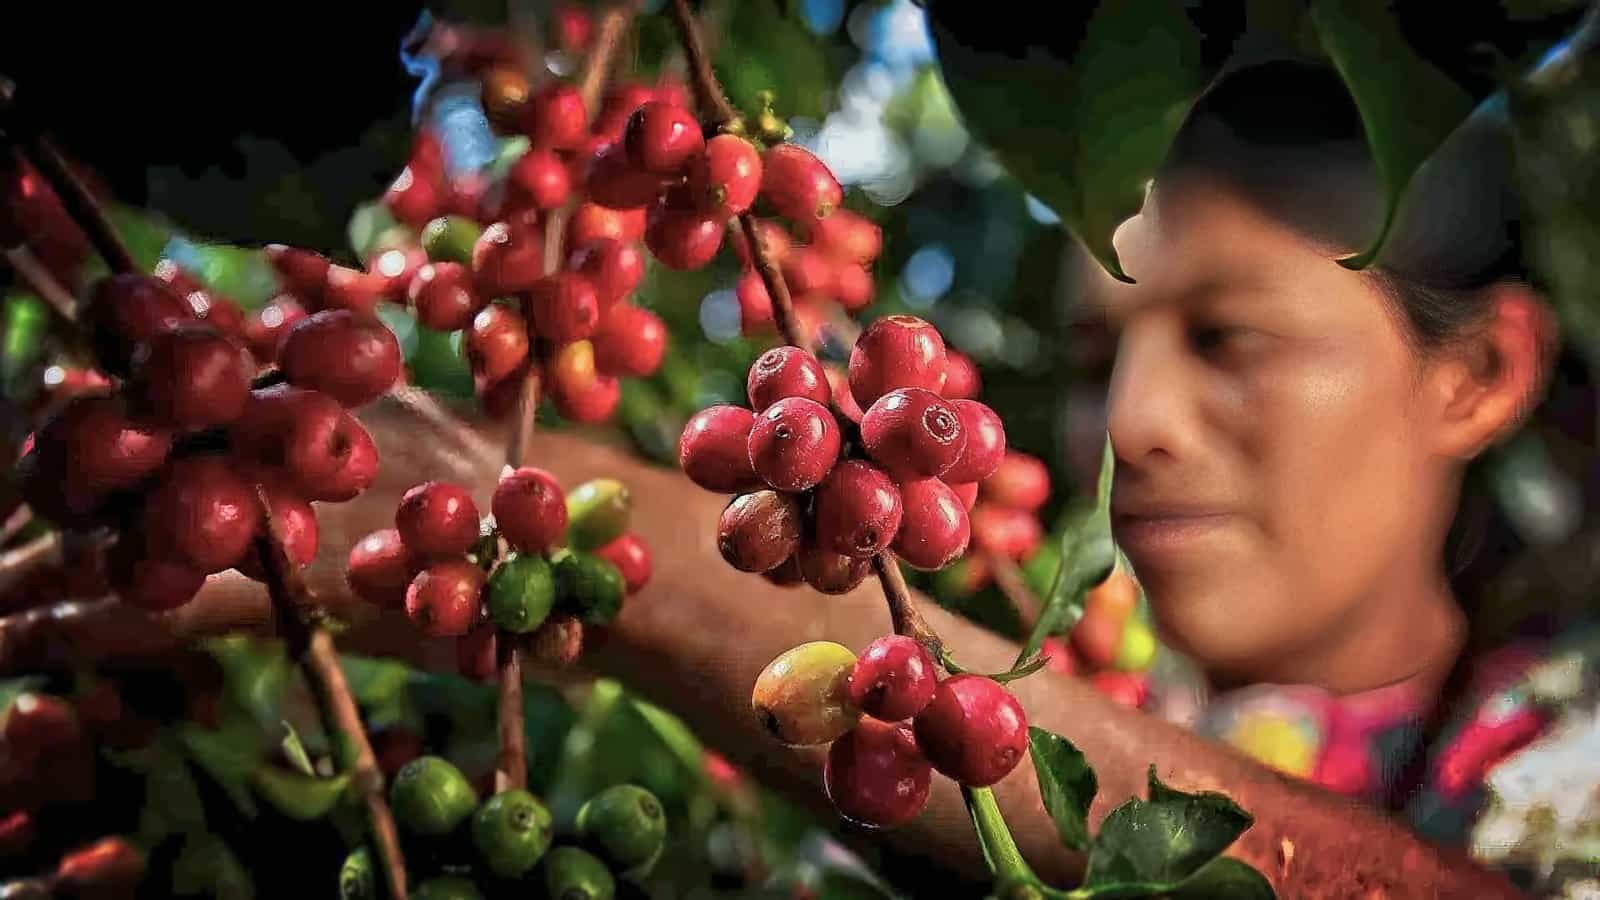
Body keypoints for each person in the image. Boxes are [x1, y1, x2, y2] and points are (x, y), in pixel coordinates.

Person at [36, 54, 1587, 900]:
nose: (1139, 423)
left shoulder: (1567, 751)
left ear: (1480, 374)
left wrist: (653, 550)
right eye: (1108, 350)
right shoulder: (1033, 655)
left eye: (1234, 337)